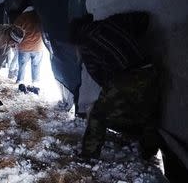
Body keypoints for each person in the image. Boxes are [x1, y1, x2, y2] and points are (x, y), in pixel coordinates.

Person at [69, 12, 160, 161]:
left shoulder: (85, 44)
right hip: (148, 69)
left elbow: (97, 74)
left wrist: (109, 92)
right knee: (148, 114)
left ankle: (88, 156)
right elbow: (142, 19)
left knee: (98, 114)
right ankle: (149, 153)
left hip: (126, 77)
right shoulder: (111, 23)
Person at [13, 6, 44, 94]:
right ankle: (35, 84)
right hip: (38, 46)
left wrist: (14, 45)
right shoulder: (40, 16)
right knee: (36, 66)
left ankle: (21, 83)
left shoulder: (22, 18)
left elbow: (14, 31)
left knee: (22, 66)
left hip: (24, 47)